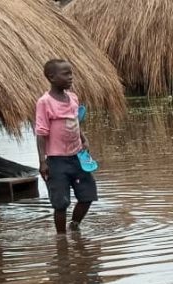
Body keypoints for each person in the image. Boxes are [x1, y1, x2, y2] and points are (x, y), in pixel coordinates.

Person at [35, 59, 97, 234]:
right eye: (66, 74)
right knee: (60, 203)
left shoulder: (73, 98)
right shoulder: (44, 102)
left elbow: (75, 121)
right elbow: (41, 132)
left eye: (71, 73)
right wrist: (42, 161)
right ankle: (61, 239)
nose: (71, 77)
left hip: (77, 157)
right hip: (56, 160)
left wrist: (84, 139)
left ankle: (74, 226)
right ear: (51, 77)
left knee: (88, 195)